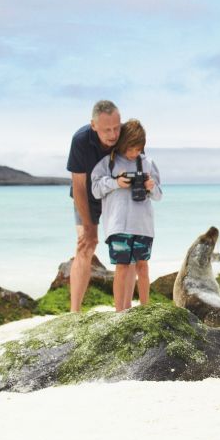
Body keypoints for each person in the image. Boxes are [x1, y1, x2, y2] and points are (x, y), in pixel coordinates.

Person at [91, 119, 162, 312]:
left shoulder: (148, 163)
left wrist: (150, 187)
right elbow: (95, 190)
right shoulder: (109, 163)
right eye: (131, 148)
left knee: (143, 267)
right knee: (121, 267)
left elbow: (159, 196)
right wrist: (116, 183)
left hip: (143, 226)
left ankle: (146, 309)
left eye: (138, 149)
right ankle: (119, 312)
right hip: (118, 225)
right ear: (123, 144)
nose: (134, 153)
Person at [67, 100, 121, 312]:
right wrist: (89, 226)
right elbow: (78, 186)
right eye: (107, 129)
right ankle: (74, 312)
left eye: (116, 127)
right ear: (94, 125)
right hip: (86, 197)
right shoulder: (80, 140)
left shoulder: (125, 135)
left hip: (115, 196)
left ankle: (122, 308)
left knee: (123, 246)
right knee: (85, 244)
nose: (113, 134)